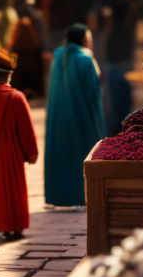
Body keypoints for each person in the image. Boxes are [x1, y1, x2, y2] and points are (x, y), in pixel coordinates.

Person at [0, 46, 38, 241]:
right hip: (11, 153)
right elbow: (26, 129)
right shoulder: (16, 98)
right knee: (12, 190)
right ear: (9, 76)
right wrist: (31, 153)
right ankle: (14, 228)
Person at [44, 23, 106, 208]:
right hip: (81, 117)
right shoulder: (85, 60)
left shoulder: (58, 57)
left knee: (61, 157)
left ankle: (59, 197)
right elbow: (94, 94)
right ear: (83, 39)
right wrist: (98, 125)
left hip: (58, 116)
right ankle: (80, 196)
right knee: (80, 156)